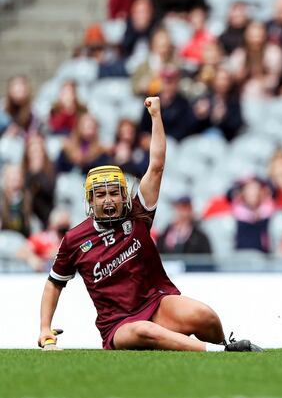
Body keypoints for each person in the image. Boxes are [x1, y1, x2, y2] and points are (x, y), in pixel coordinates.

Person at [38, 96, 261, 352]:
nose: (108, 200)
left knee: (204, 315)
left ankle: (225, 344)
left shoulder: (137, 213)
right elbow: (54, 282)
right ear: (90, 200)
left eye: (114, 193)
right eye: (101, 195)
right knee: (145, 330)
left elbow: (156, 166)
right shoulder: (76, 239)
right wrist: (45, 328)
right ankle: (209, 354)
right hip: (119, 326)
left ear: (124, 195)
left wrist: (156, 116)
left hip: (157, 304)